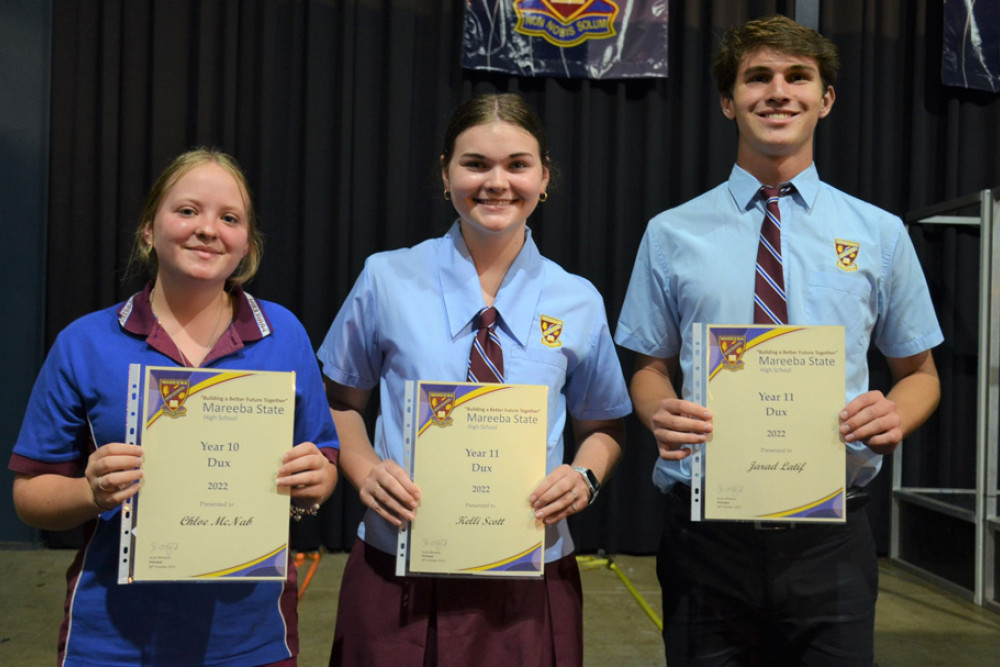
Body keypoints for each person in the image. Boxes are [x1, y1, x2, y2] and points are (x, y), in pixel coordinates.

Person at [614, 15, 943, 667]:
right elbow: (649, 364)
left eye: (798, 76)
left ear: (826, 99)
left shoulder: (879, 234)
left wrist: (893, 412)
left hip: (833, 534)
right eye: (756, 76)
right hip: (706, 532)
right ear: (728, 101)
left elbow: (921, 372)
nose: (777, 91)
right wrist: (659, 409)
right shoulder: (672, 233)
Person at [317, 93, 631, 666]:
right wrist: (364, 472)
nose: (496, 182)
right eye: (475, 164)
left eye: (517, 164)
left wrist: (585, 476)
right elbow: (337, 402)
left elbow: (605, 423)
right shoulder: (386, 278)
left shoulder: (578, 298)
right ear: (445, 173)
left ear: (544, 178)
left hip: (531, 572)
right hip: (398, 566)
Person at [9, 148, 339, 666]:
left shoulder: (286, 335)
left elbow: (322, 460)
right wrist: (90, 491)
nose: (207, 229)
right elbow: (30, 496)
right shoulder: (85, 343)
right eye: (187, 211)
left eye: (229, 218)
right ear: (148, 229)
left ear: (246, 244)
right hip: (113, 640)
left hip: (250, 639)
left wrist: (316, 483)